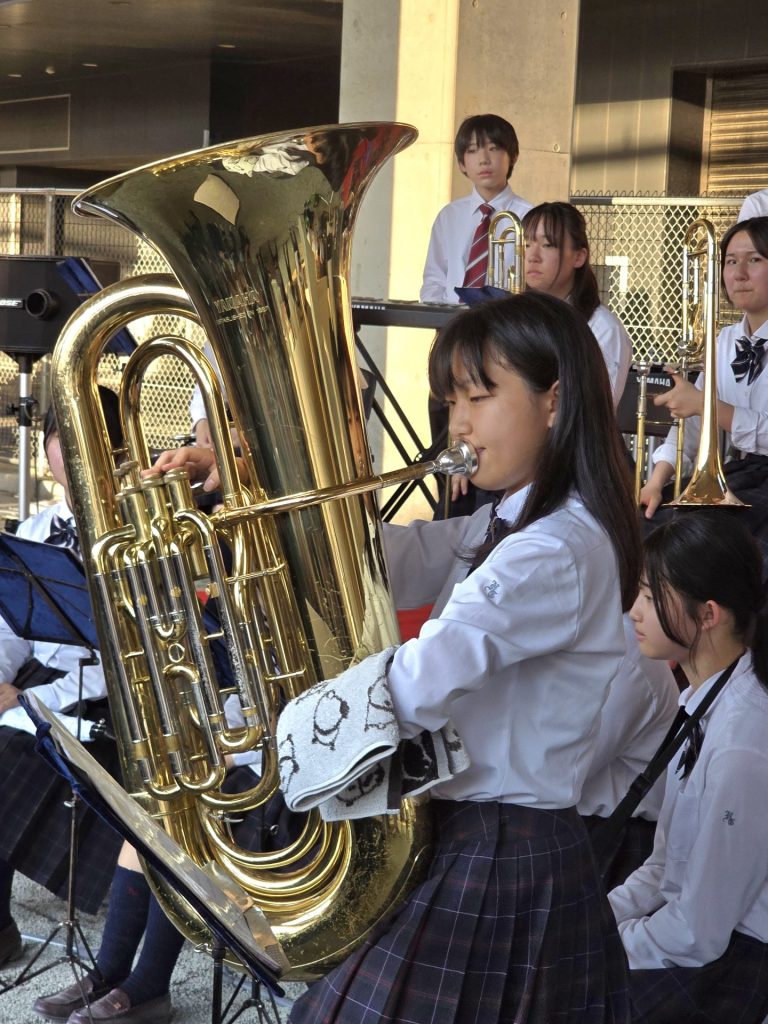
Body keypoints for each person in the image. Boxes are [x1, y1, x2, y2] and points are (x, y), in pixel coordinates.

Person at [155, 292, 641, 1022]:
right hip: (476, 836)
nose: (459, 424)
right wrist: (245, 506)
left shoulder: (556, 548)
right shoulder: (506, 522)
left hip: (498, 848)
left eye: (479, 396)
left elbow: (417, 682)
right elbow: (384, 559)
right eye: (452, 402)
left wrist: (273, 734)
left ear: (554, 400)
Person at [609, 512, 768, 1024]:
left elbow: (699, 933)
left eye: (650, 597)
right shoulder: (704, 699)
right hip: (690, 940)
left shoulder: (743, 739)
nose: (634, 611)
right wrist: (595, 921)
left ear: (708, 615)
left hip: (734, 966)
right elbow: (664, 867)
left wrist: (604, 946)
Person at [0, 388, 125, 967]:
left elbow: (119, 665)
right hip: (37, 683)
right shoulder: (35, 530)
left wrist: (27, 699)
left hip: (107, 702)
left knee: (6, 749)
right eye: (60, 441)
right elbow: (8, 630)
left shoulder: (141, 536)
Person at [638, 217, 768, 562]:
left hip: (756, 486)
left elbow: (706, 410)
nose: (739, 274)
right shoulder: (725, 341)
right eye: (730, 261)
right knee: (645, 528)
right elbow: (692, 430)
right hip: (739, 475)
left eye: (754, 259)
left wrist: (705, 405)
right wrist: (656, 482)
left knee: (716, 551)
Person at [579, 616, 680, 892]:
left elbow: (566, 769)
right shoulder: (601, 638)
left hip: (615, 837)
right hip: (591, 827)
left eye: (649, 598)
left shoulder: (627, 655)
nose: (637, 612)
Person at [522, 201, 632, 407]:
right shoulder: (516, 318)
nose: (532, 257)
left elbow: (594, 410)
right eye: (526, 244)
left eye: (547, 245)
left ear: (579, 257)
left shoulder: (603, 328)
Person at [420, 113, 532, 304]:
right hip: (453, 320)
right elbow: (435, 281)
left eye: (493, 148)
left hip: (507, 320)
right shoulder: (449, 216)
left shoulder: (529, 217)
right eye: (472, 150)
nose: (483, 160)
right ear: (461, 164)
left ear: (513, 156)